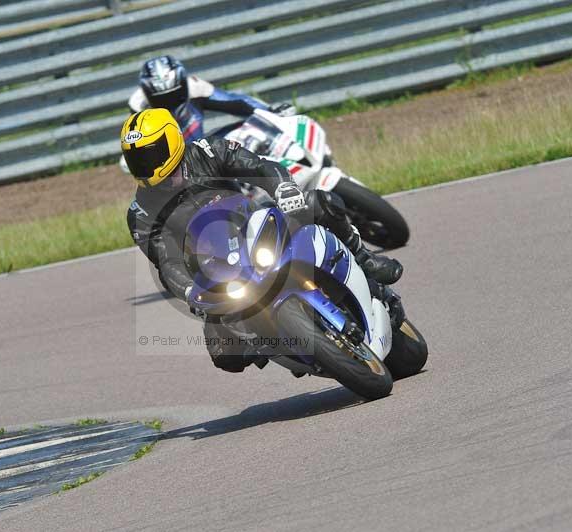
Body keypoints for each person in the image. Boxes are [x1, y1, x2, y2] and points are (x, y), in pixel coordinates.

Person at [123, 109, 403, 373]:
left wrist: (284, 188)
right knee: (224, 355)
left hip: (259, 228)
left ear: (173, 140)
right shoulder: (142, 212)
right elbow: (166, 261)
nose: (146, 166)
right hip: (216, 271)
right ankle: (281, 343)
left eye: (151, 155)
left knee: (321, 202)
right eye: (138, 160)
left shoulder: (209, 152)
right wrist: (189, 291)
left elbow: (261, 167)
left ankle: (364, 260)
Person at [128, 55, 295, 142]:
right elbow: (135, 141)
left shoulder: (195, 87)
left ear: (183, 85)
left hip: (203, 154)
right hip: (171, 168)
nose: (170, 102)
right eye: (162, 99)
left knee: (249, 130)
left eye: (173, 94)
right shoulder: (138, 106)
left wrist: (271, 113)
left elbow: (235, 102)